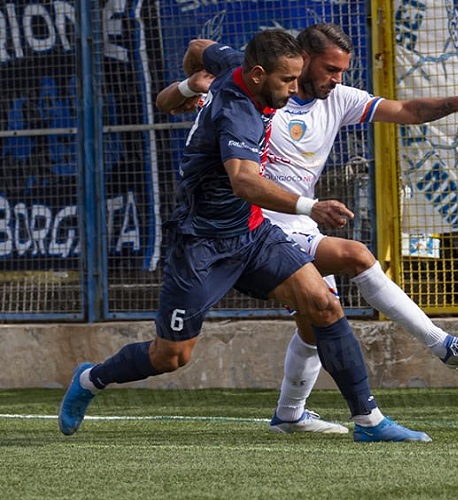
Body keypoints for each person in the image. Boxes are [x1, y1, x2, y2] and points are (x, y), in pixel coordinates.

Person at [59, 29, 430, 443]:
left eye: (296, 79)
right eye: (286, 82)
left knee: (323, 305)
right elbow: (244, 182)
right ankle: (91, 379)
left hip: (252, 232)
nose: (293, 91)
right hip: (201, 243)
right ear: (256, 75)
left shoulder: (238, 63)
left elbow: (196, 47)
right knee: (171, 356)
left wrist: (188, 84)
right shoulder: (239, 113)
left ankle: (369, 422)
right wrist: (311, 207)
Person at [156, 23, 458, 434]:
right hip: (261, 220)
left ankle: (289, 415)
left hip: (301, 219)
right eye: (330, 68)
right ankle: (441, 345)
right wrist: (188, 87)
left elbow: (407, 112)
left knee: (317, 319)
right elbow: (198, 47)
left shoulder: (338, 99)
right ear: (302, 60)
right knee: (353, 258)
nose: (337, 78)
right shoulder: (260, 90)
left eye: (342, 70)